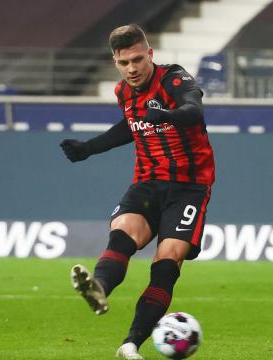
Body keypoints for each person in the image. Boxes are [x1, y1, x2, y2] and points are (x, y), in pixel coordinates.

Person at [60, 24, 215, 360]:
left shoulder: (174, 79)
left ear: (150, 55)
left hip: (189, 187)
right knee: (123, 233)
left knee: (167, 260)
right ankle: (99, 288)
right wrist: (90, 148)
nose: (131, 69)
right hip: (147, 182)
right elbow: (130, 126)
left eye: (136, 59)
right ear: (115, 62)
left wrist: (168, 115)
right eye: (123, 62)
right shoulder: (124, 92)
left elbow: (194, 110)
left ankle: (131, 343)